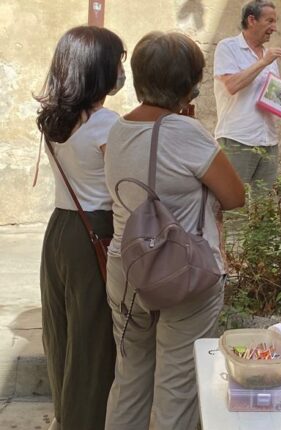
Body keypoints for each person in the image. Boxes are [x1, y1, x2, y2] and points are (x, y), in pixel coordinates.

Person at [104, 32, 245, 430]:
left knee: (129, 379)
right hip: (184, 272)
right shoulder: (188, 134)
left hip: (126, 267)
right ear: (189, 84)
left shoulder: (116, 131)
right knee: (176, 388)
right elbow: (235, 196)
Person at [35, 25, 125, 430]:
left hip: (60, 226)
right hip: (96, 229)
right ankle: (83, 421)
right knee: (92, 338)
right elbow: (122, 189)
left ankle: (64, 414)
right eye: (117, 62)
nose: (121, 71)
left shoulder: (53, 117)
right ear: (99, 70)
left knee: (61, 331)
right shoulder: (107, 123)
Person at [213, 0, 281, 191]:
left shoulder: (269, 56)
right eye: (269, 21)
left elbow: (270, 98)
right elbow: (232, 86)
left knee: (264, 209)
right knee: (235, 207)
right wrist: (263, 62)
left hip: (268, 140)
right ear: (252, 20)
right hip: (238, 139)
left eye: (275, 22)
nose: (274, 28)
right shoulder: (228, 47)